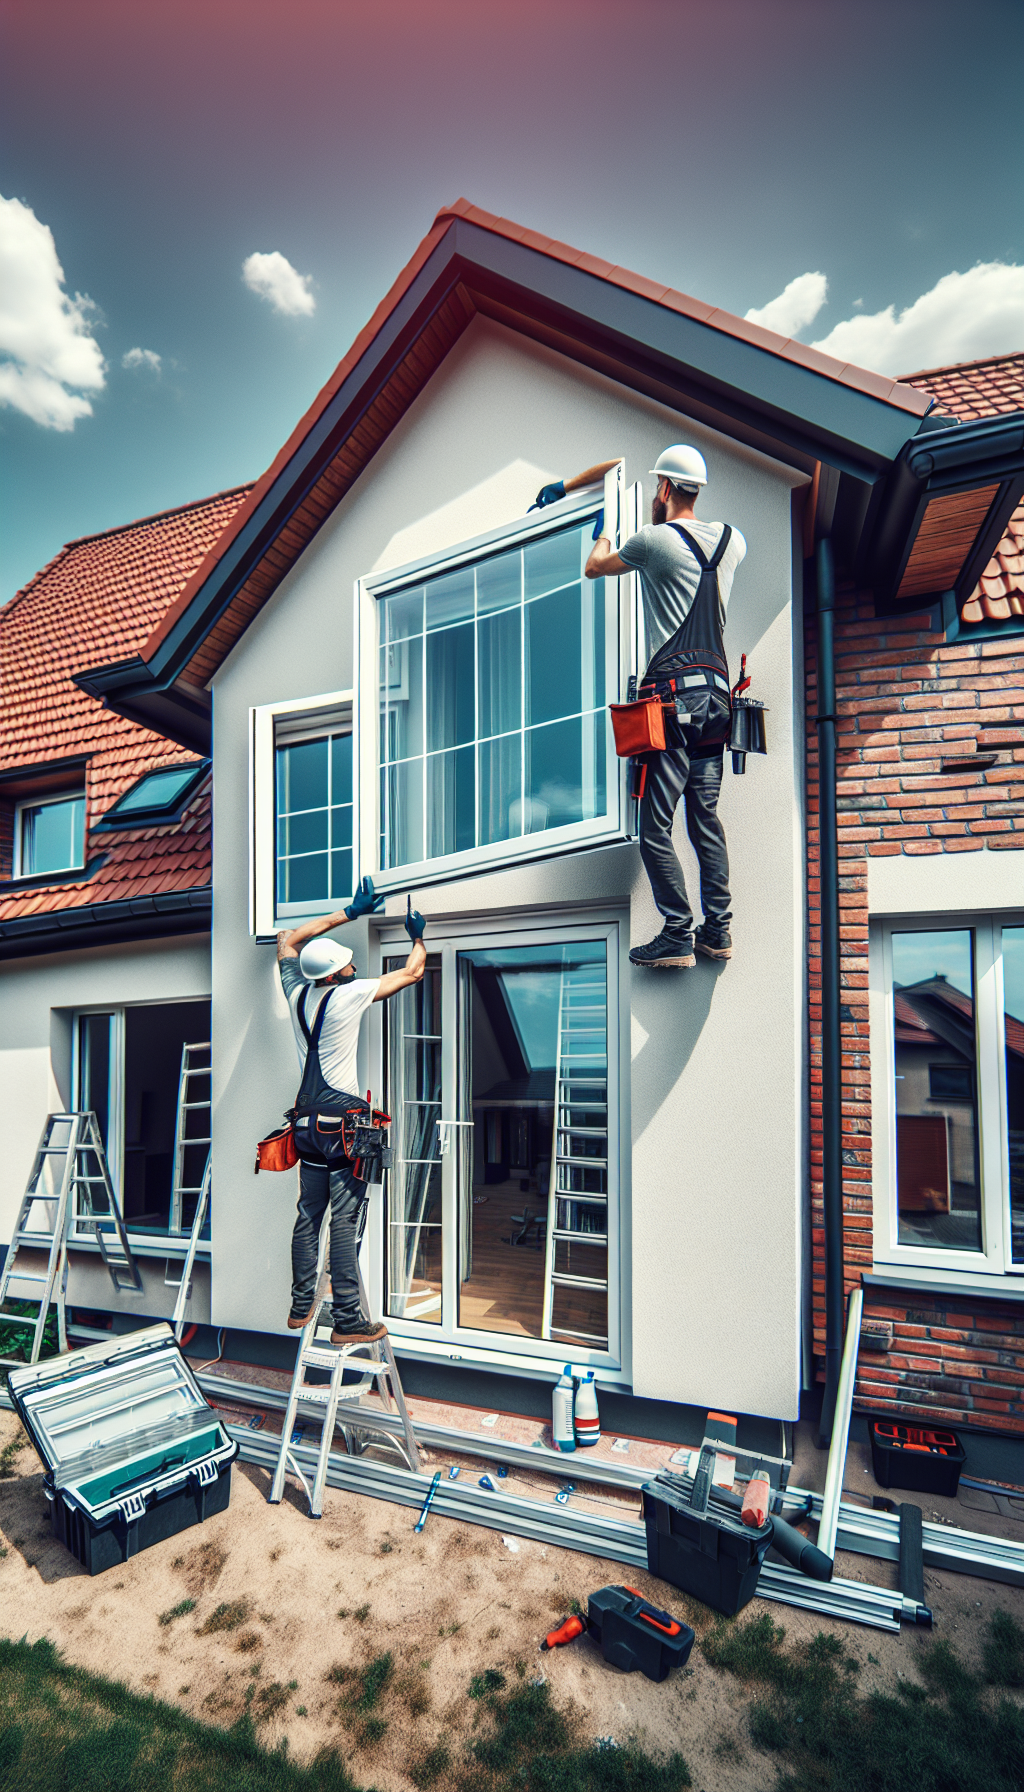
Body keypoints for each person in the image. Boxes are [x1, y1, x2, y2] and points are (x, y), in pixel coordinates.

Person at [535, 446, 746, 967]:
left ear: (668, 490)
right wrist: (571, 487)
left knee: (654, 826)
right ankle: (717, 932)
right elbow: (617, 469)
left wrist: (604, 525)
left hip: (675, 700)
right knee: (706, 822)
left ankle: (677, 932)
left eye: (657, 488)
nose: (654, 496)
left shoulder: (654, 540)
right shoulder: (732, 540)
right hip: (717, 702)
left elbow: (593, 568)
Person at [276, 877, 426, 1344]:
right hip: (342, 1129)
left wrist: (348, 912)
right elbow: (414, 973)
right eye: (346, 964)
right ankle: (347, 1320)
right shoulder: (350, 994)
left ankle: (301, 1307)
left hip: (305, 1127)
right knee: (345, 1220)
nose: (353, 966)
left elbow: (286, 941)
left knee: (309, 1215)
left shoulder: (295, 991)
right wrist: (418, 936)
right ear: (337, 975)